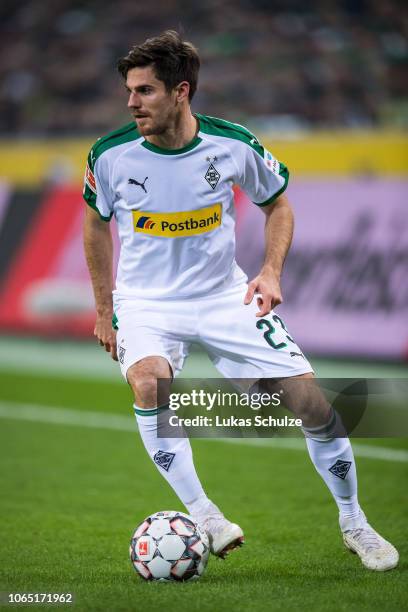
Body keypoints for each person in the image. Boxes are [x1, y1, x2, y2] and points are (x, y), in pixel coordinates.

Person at [83, 30, 398, 570]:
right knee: (149, 383)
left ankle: (355, 522)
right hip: (147, 303)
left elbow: (279, 206)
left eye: (145, 91)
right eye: (130, 91)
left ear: (181, 91)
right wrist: (104, 308)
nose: (131, 102)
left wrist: (271, 271)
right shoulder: (110, 155)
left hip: (224, 296)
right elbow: (94, 226)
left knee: (313, 404)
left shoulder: (233, 145)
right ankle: (205, 516)